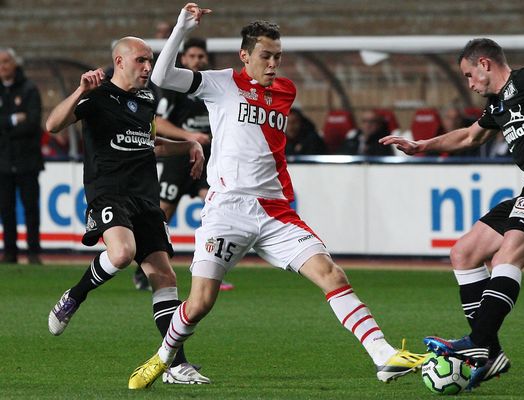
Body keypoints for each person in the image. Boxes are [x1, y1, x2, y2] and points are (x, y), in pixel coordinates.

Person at [128, 3, 426, 390]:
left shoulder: (286, 90)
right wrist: (182, 27)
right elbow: (164, 75)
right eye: (265, 56)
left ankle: (383, 355)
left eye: (278, 57)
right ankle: (164, 358)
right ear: (245, 56)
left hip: (275, 211)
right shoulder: (221, 83)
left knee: (331, 274)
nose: (273, 64)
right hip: (228, 209)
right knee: (200, 302)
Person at [380, 38, 524, 390]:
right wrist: (422, 146)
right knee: (464, 252)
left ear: (485, 64)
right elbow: (469, 138)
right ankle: (490, 351)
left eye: (469, 75)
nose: (469, 84)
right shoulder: (498, 104)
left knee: (505, 257)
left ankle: (478, 340)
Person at [45, 36, 211, 385]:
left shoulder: (148, 99)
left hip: (145, 198)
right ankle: (75, 295)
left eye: (150, 61)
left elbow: (151, 145)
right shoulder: (97, 96)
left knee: (165, 278)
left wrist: (189, 144)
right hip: (109, 193)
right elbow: (53, 125)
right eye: (141, 60)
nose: (148, 67)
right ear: (119, 62)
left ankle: (175, 364)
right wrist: (79, 92)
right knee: (122, 254)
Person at [131, 37, 234, 292]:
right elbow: (159, 122)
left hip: (207, 160)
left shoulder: (214, 87)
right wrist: (190, 137)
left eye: (201, 57)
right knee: (162, 215)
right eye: (192, 57)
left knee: (216, 210)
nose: (197, 61)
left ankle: (211, 273)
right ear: (184, 59)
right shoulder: (176, 87)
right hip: (179, 159)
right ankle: (144, 270)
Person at [0, 47, 43, 265]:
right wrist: (13, 120)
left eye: (6, 61)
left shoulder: (29, 89)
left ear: (14, 63)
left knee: (30, 209)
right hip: (3, 163)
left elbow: (33, 123)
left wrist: (5, 127)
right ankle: (9, 253)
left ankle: (34, 253)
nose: (3, 66)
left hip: (28, 160)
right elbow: (21, 123)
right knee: (5, 210)